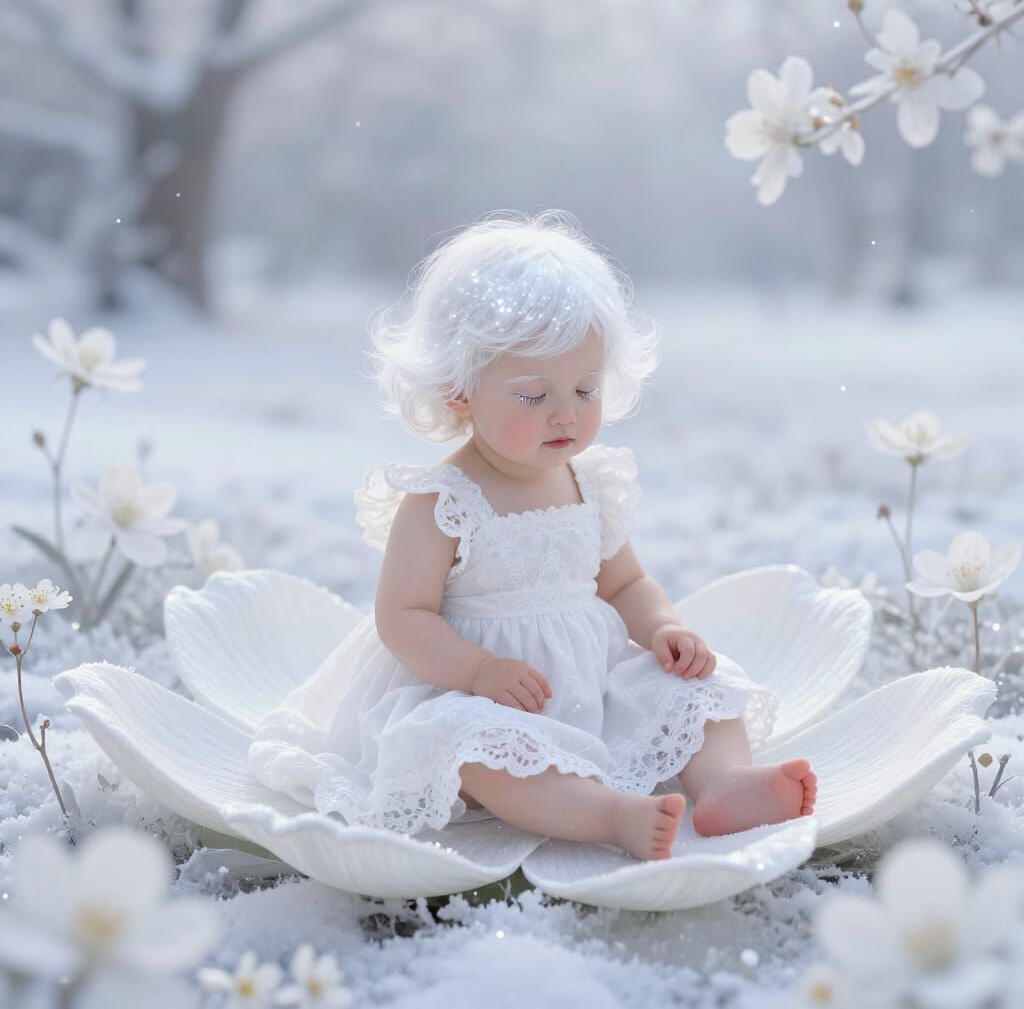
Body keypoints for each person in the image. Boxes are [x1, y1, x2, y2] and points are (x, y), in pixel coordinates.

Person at [247, 211, 817, 860]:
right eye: (532, 395)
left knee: (704, 691)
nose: (566, 414)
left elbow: (625, 580)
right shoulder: (444, 500)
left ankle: (724, 783)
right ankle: (609, 815)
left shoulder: (588, 482)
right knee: (479, 751)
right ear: (457, 391)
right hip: (480, 693)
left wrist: (660, 629)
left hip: (591, 680)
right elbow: (402, 616)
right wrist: (478, 669)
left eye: (584, 387)